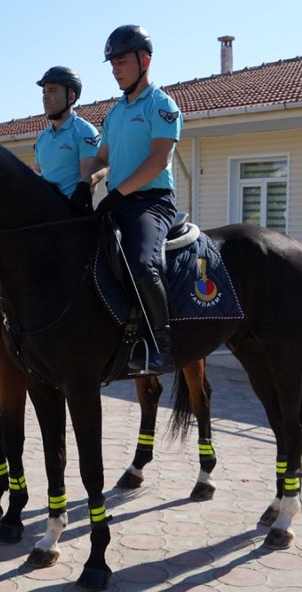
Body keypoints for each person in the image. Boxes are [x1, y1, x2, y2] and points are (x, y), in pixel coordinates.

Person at [82, 25, 182, 376]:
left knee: (141, 262)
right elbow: (101, 159)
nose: (115, 70)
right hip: (119, 200)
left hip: (152, 202)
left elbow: (157, 161)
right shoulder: (115, 113)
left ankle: (163, 348)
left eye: (121, 62)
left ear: (145, 60)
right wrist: (88, 182)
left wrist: (118, 194)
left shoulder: (162, 105)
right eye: (112, 64)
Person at [33, 66, 103, 213]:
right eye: (44, 91)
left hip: (72, 218)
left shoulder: (85, 132)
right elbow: (40, 172)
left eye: (52, 91)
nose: (45, 96)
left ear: (71, 97)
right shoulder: (41, 138)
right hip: (45, 217)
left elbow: (88, 185)